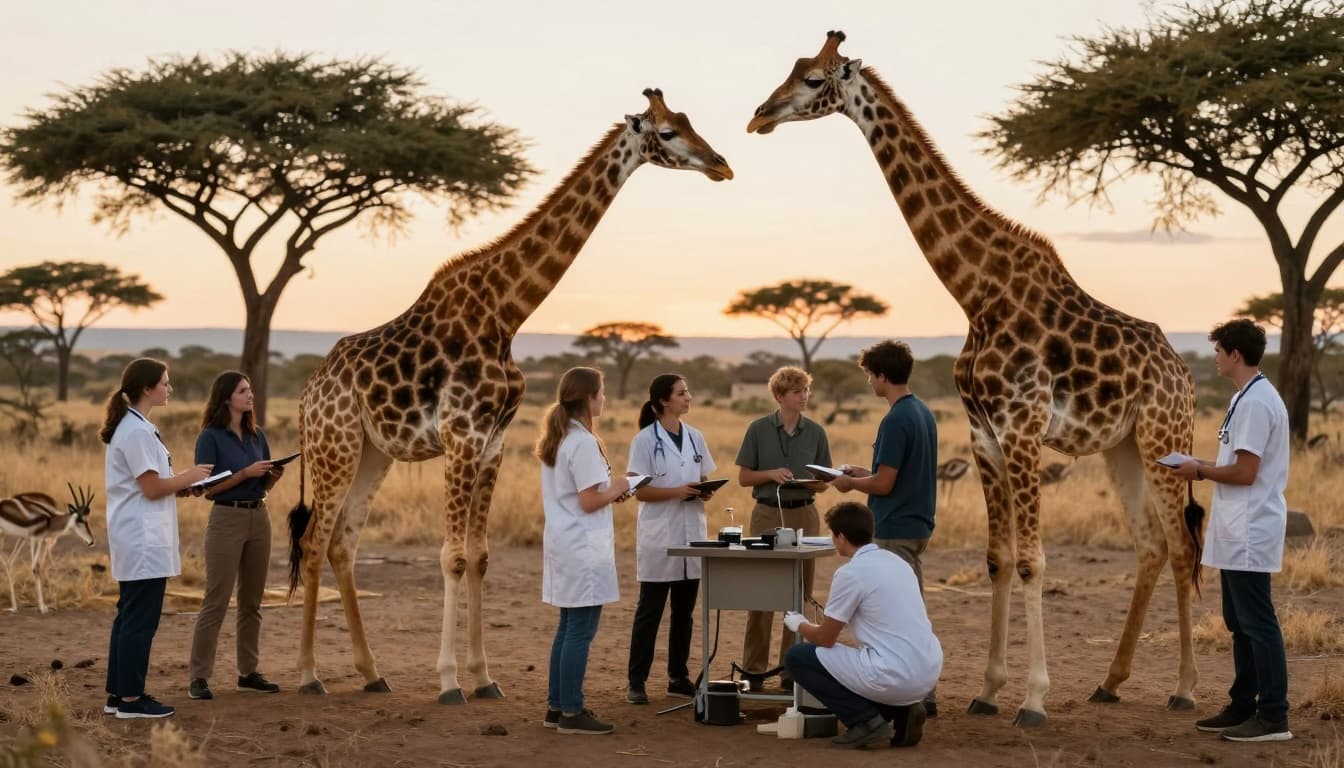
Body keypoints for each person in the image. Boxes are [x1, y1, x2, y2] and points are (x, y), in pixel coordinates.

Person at [1170, 319, 1292, 742]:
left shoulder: (1258, 403)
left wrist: (1198, 470)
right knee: (1239, 621)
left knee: (1257, 622)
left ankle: (1274, 716)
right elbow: (1238, 464)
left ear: (1234, 355)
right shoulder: (1247, 397)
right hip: (1237, 528)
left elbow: (1244, 472)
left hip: (1250, 528)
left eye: (1220, 351)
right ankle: (1244, 705)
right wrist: (1198, 462)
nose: (1216, 358)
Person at [828, 339, 939, 713]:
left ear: (882, 375)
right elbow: (891, 474)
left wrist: (850, 484)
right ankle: (924, 692)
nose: (869, 383)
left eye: (870, 376)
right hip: (917, 524)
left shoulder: (895, 419)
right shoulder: (921, 411)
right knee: (912, 609)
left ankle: (909, 696)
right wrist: (866, 473)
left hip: (893, 526)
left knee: (891, 617)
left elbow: (884, 485)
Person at [100, 357, 213, 719]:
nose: (170, 389)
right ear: (147, 389)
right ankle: (132, 700)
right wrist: (189, 475)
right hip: (142, 538)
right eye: (165, 383)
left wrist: (182, 486)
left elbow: (150, 485)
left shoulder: (136, 427)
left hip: (138, 535)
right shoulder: (136, 432)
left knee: (129, 616)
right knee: (139, 621)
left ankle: (118, 696)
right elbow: (150, 489)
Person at [783, 501, 942, 749]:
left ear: (841, 537)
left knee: (798, 657)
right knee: (855, 660)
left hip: (894, 674)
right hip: (928, 670)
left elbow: (825, 639)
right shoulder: (898, 561)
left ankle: (865, 722)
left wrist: (799, 624)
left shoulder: (850, 573)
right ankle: (903, 712)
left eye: (833, 535)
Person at [537, 367, 633, 735]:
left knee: (567, 626)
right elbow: (591, 500)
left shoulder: (560, 438)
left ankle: (557, 707)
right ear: (589, 397)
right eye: (602, 392)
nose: (604, 398)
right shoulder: (583, 442)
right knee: (580, 629)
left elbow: (586, 495)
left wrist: (611, 491)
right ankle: (573, 713)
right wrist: (620, 485)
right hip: (582, 546)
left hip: (565, 541)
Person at [187, 371, 286, 700]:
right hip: (226, 520)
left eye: (250, 389)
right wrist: (245, 472)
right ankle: (199, 678)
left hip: (259, 517)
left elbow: (260, 483)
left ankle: (248, 673)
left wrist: (271, 477)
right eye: (243, 391)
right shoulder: (210, 437)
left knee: (252, 602)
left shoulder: (257, 436)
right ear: (227, 397)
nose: (250, 395)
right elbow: (205, 489)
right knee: (215, 601)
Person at [735, 365, 831, 692]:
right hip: (766, 514)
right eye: (796, 392)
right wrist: (770, 473)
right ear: (779, 396)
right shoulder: (758, 429)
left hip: (804, 514)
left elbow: (825, 483)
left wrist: (818, 484)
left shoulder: (817, 432)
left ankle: (792, 669)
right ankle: (753, 670)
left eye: (806, 390)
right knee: (761, 593)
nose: (804, 397)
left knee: (799, 594)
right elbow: (744, 477)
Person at [625, 374, 717, 704]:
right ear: (665, 401)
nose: (688, 397)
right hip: (659, 535)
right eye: (682, 393)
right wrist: (676, 492)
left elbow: (701, 476)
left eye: (688, 392)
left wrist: (703, 492)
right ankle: (636, 681)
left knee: (684, 612)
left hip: (691, 532)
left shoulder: (695, 437)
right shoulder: (645, 440)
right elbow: (639, 491)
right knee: (649, 611)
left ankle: (678, 677)